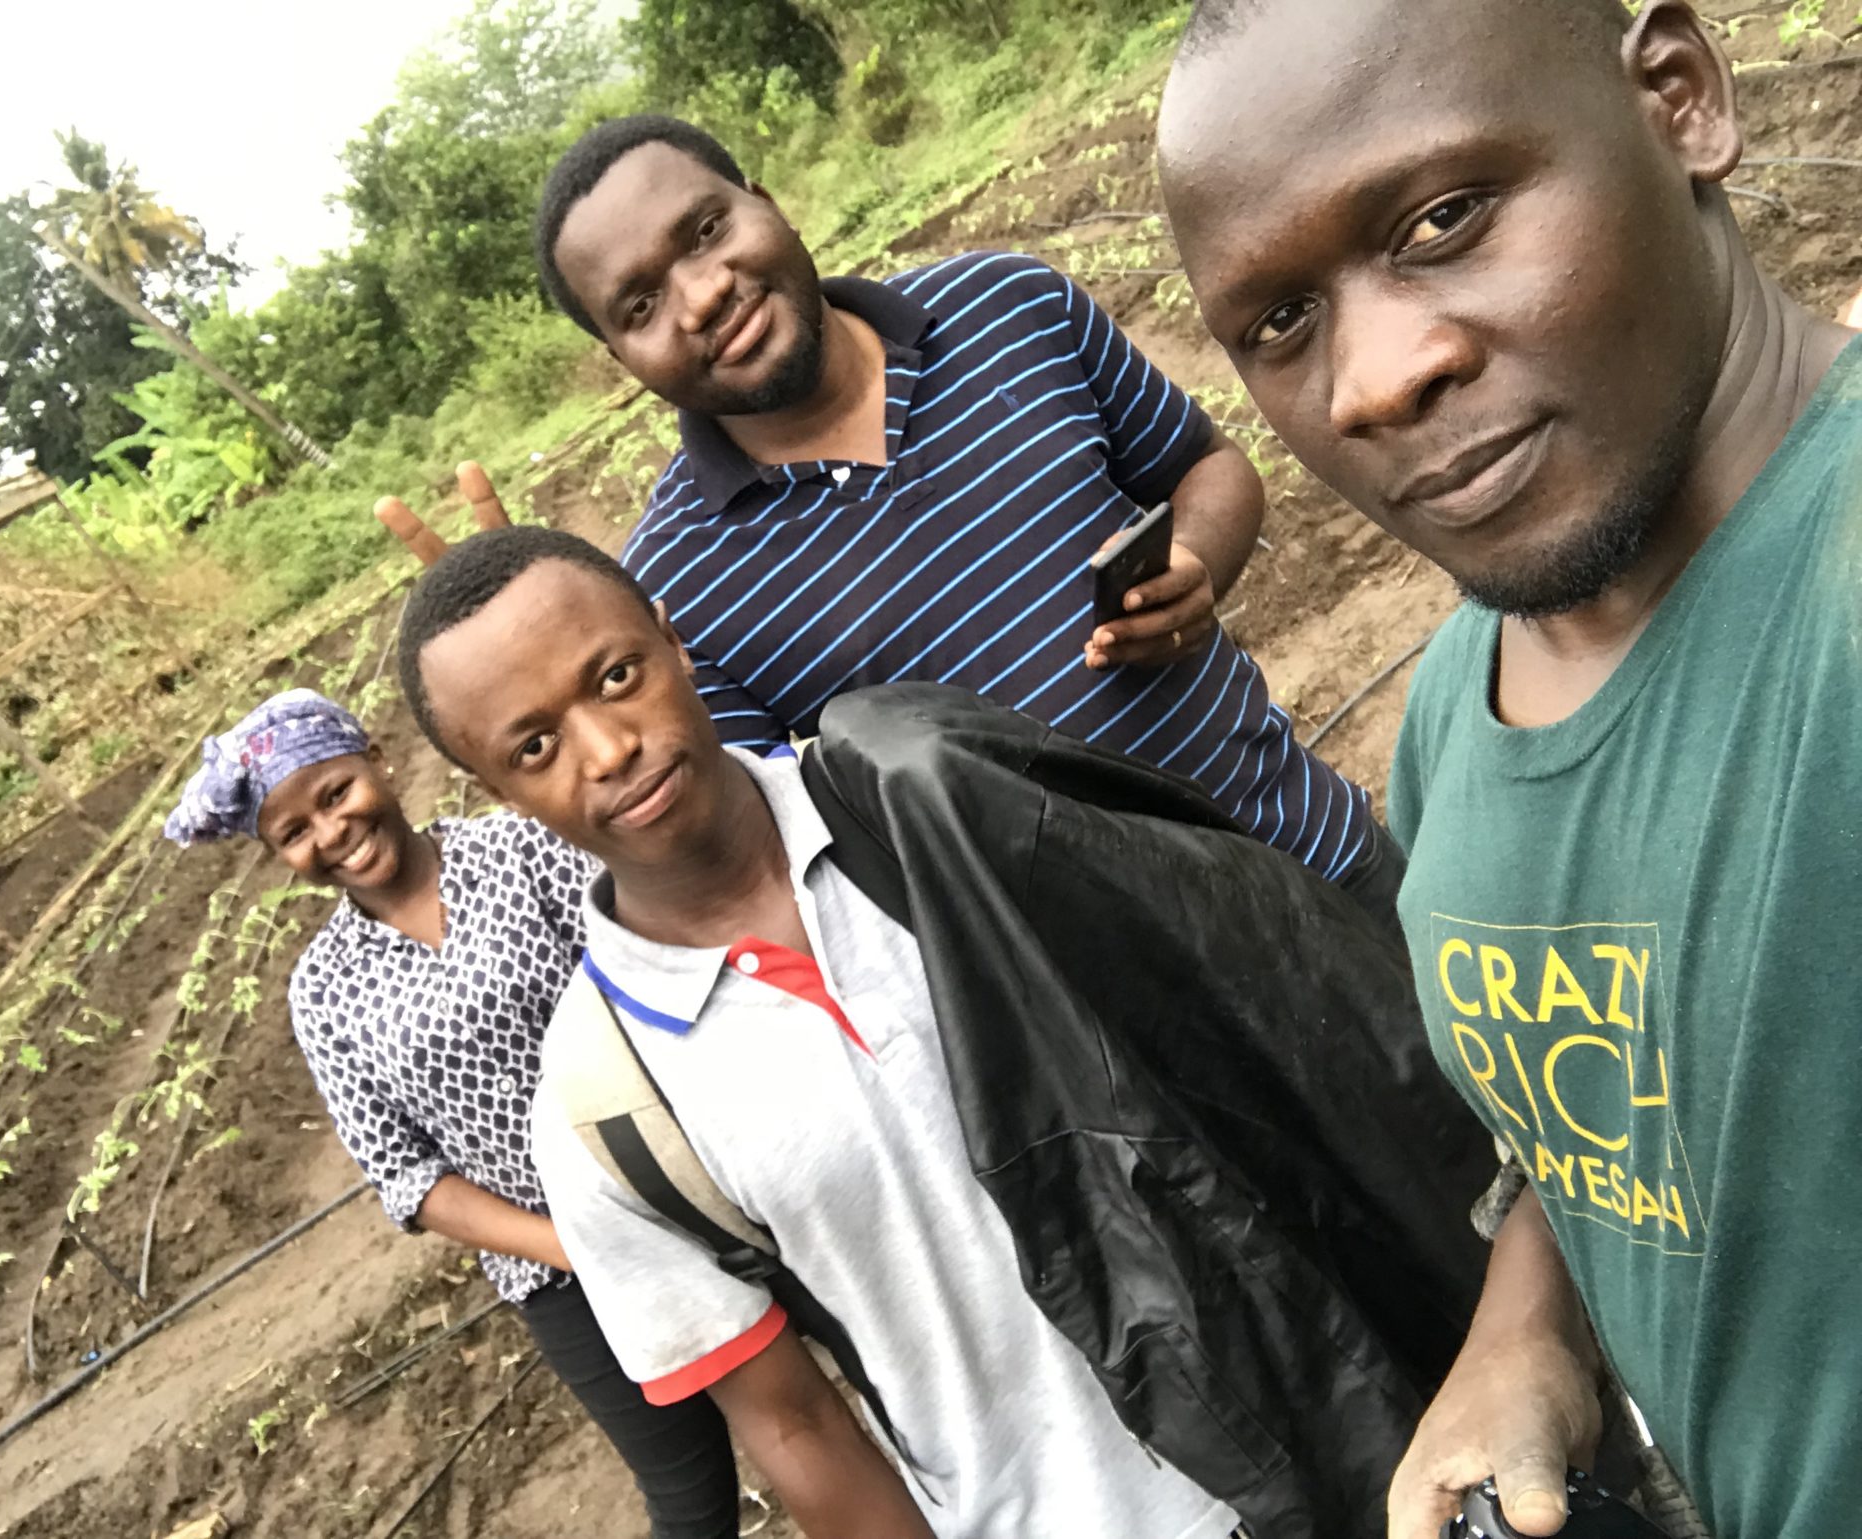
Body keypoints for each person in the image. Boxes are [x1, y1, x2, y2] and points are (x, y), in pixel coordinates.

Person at [389, 524, 1501, 1538]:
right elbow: (796, 1430)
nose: (604, 749)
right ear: (490, 789)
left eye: (614, 677)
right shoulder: (604, 1115)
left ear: (672, 641)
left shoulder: (946, 812)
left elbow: (1260, 1028)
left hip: (1356, 1428)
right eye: (533, 746)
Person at [1156, 1, 1862, 1535]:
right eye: (1281, 323)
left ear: (1680, 101)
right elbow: (1607, 1111)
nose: (1369, 380)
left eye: (1444, 217)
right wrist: (1528, 1323)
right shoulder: (1458, 720)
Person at [528, 113, 1397, 902]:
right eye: (641, 304)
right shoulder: (678, 586)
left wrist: (1196, 561)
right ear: (619, 356)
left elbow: (1206, 467)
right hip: (1120, 1024)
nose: (703, 294)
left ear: (768, 202)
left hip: (1313, 846)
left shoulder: (1007, 306)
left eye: (707, 230)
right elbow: (782, 857)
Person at [161, 691, 742, 1539]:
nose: (329, 833)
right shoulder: (322, 991)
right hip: (563, 1273)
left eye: (333, 794)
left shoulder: (518, 849)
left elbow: (653, 969)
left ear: (378, 762)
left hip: (703, 1177)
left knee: (847, 1392)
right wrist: (571, 1243)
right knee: (691, 1502)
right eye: (293, 833)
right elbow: (406, 1176)